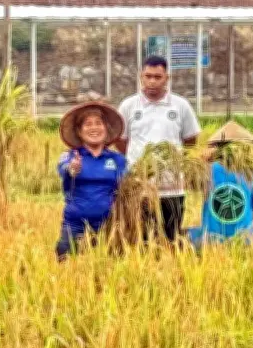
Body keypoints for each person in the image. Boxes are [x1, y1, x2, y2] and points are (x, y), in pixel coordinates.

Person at [116, 55, 202, 242]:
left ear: (167, 78)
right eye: (148, 76)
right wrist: (140, 162)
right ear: (141, 76)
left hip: (172, 188)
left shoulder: (180, 106)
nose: (152, 81)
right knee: (140, 239)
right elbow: (121, 141)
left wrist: (172, 158)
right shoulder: (128, 106)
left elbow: (190, 139)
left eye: (157, 77)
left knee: (170, 237)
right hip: (139, 188)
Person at [56, 102, 127, 261]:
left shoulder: (117, 160)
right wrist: (73, 169)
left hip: (109, 227)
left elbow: (127, 187)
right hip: (75, 225)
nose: (94, 128)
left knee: (112, 272)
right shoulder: (70, 157)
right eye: (87, 124)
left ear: (106, 129)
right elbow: (65, 170)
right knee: (66, 269)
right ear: (79, 132)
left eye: (98, 123)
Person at [188, 121, 253, 249]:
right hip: (245, 241)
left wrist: (201, 161)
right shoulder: (252, 173)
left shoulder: (207, 170)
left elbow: (187, 182)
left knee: (184, 235)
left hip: (211, 242)